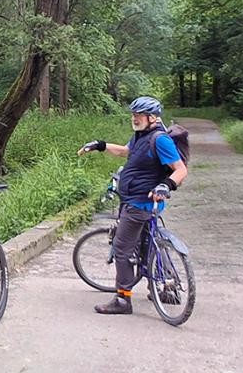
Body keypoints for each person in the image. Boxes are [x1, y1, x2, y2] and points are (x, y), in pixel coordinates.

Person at [77, 96, 189, 315]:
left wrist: (166, 185)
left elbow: (181, 169)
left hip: (140, 203)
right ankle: (164, 287)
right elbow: (125, 152)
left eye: (139, 115)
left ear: (152, 118)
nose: (134, 119)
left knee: (121, 249)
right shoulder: (141, 137)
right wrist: (100, 145)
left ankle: (122, 299)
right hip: (137, 201)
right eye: (134, 115)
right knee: (148, 244)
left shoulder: (159, 140)